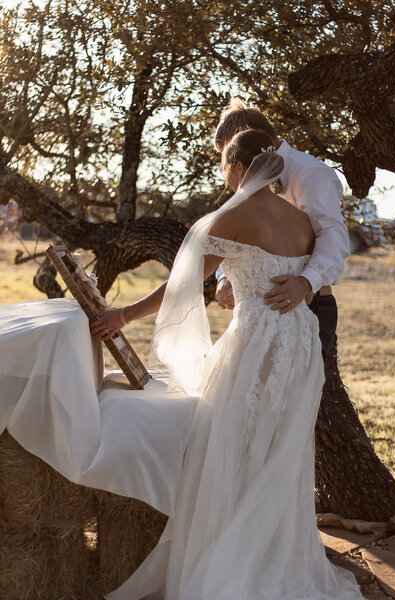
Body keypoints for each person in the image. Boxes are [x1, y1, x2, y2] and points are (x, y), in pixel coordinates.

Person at [87, 129, 364, 600]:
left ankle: (230, 563)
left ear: (237, 167)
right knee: (280, 451)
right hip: (298, 342)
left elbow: (181, 285)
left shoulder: (232, 216)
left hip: (256, 341)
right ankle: (274, 554)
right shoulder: (302, 220)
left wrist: (122, 315)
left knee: (232, 446)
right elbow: (281, 274)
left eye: (224, 168)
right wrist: (238, 287)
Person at [212, 98, 349, 358]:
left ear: (249, 137)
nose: (228, 165)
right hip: (261, 316)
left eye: (229, 151)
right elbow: (235, 236)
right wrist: (225, 278)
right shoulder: (249, 184)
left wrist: (305, 283)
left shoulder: (310, 173)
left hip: (310, 305)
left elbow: (334, 238)